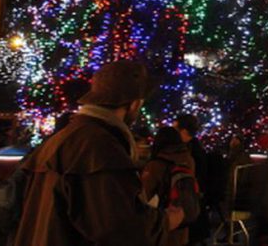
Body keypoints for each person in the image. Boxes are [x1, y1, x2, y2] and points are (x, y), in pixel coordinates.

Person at [13, 60, 183, 245]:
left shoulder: (63, 138)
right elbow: (120, 228)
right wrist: (167, 220)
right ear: (134, 104)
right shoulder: (100, 146)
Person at [142, 127, 200, 246]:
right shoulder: (188, 159)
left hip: (164, 224)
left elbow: (142, 195)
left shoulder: (156, 165)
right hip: (183, 224)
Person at [174, 114, 210, 245]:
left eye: (175, 129)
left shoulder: (189, 153)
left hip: (189, 206)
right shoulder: (196, 149)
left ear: (183, 131)